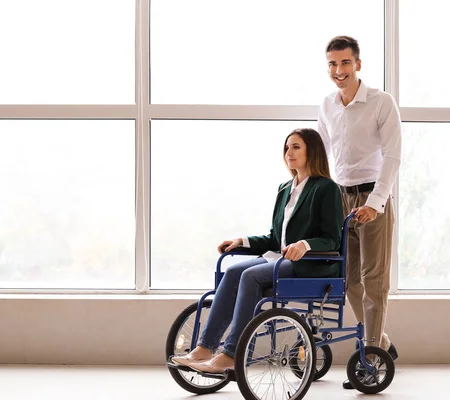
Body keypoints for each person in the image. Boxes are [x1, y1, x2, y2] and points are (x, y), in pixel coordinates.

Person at [171, 128, 343, 374]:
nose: (288, 153)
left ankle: (231, 353)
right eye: (286, 148)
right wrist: (242, 241)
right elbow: (275, 238)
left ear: (312, 151)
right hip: (280, 258)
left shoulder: (326, 188)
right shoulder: (285, 189)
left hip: (310, 264)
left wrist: (304, 245)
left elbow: (332, 239)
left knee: (250, 277)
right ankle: (205, 348)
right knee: (232, 272)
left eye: (296, 147)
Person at [316, 36, 402, 389]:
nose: (339, 71)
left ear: (358, 64)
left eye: (345, 63)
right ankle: (381, 343)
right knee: (348, 279)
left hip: (372, 199)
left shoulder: (381, 103)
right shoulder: (327, 105)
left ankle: (370, 359)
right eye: (333, 64)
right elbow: (322, 154)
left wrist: (375, 203)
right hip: (340, 199)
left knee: (374, 280)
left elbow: (393, 156)